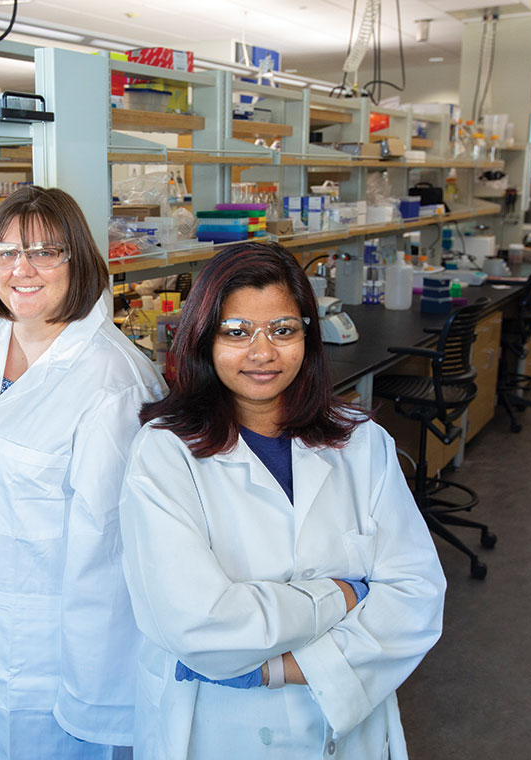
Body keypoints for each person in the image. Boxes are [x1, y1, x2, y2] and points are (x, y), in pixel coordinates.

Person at [119, 242, 446, 759]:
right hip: (216, 729)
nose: (263, 352)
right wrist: (341, 594)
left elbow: (417, 597)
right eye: (236, 331)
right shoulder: (164, 453)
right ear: (203, 340)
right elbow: (198, 622)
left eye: (283, 330)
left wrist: (276, 667)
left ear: (306, 336)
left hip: (345, 725)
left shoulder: (363, 444)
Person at [0, 186, 164, 759]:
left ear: (79, 262)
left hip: (51, 654)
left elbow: (112, 555)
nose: (20, 268)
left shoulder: (112, 383)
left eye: (45, 252)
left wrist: (96, 699)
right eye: (3, 251)